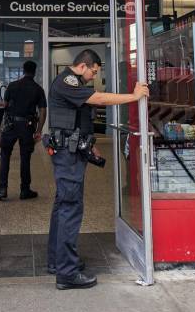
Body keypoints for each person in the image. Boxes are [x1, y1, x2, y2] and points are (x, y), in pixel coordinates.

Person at [47, 49, 149, 291]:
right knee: (70, 208)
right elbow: (99, 99)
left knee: (63, 206)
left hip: (71, 152)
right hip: (67, 156)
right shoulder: (67, 81)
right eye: (93, 71)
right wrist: (133, 96)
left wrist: (90, 146)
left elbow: (76, 120)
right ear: (83, 65)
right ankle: (67, 274)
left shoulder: (71, 83)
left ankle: (57, 262)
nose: (93, 76)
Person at [0, 61, 47, 201]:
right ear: (35, 72)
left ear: (23, 70)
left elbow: (5, 105)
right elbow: (42, 111)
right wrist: (38, 130)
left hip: (10, 125)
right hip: (27, 127)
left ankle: (2, 189)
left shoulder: (12, 85)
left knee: (5, 156)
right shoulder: (38, 89)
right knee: (25, 158)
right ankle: (25, 190)